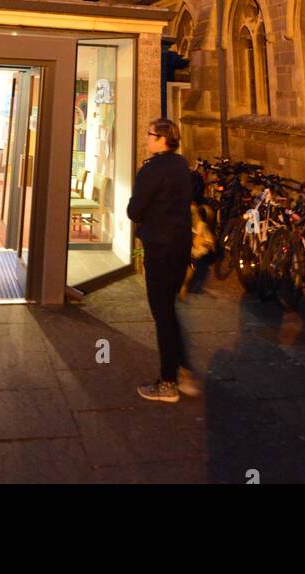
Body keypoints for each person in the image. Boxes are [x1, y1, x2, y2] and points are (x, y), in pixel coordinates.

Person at [127, 118, 200, 402]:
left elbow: (135, 210)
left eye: (150, 134)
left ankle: (168, 382)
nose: (147, 138)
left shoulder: (152, 170)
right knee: (169, 309)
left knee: (163, 314)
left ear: (162, 139)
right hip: (180, 247)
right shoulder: (181, 166)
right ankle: (181, 369)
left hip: (159, 247)